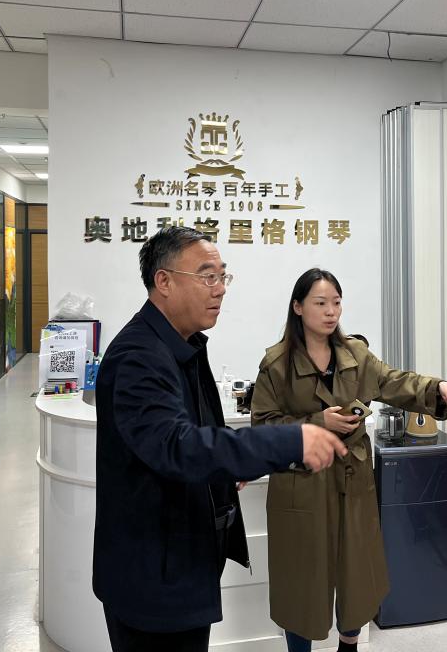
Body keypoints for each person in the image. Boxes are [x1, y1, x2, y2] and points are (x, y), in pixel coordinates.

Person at [93, 228, 348, 652]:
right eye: (207, 276)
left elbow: (198, 431)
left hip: (179, 563)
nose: (220, 289)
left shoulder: (182, 346)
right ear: (164, 281)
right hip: (152, 578)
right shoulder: (139, 357)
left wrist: (229, 467)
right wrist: (290, 441)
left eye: (223, 276)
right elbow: (178, 446)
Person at [252, 268, 447, 651]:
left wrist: (436, 388)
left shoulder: (355, 355)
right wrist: (317, 422)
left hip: (352, 480)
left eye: (336, 303)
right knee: (301, 582)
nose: (331, 311)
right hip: (302, 484)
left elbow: (394, 381)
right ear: (298, 307)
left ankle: (349, 646)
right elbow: (263, 427)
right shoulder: (277, 364)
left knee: (357, 576)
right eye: (321, 303)